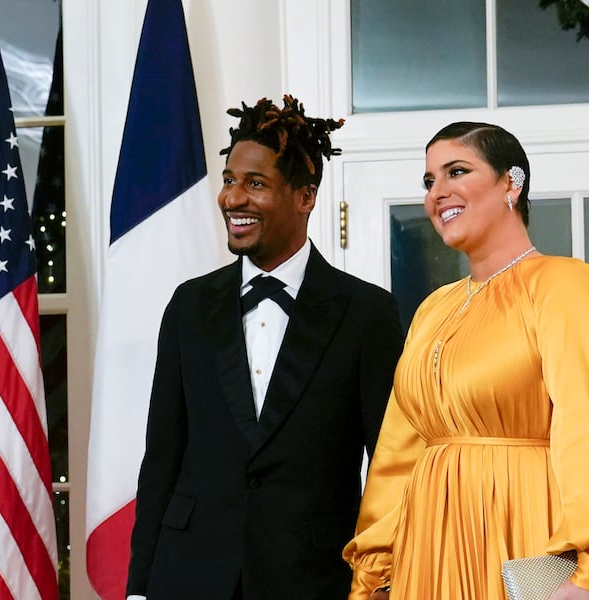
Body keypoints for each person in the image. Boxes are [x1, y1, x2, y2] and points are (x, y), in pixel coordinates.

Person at [343, 122, 589, 600]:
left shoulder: (562, 286)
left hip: (524, 533)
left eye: (456, 171)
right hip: (428, 549)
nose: (437, 193)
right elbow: (397, 453)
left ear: (511, 182)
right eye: (429, 181)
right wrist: (377, 574)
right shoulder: (433, 309)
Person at [125, 95, 405, 600]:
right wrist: (139, 587)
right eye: (230, 180)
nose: (233, 198)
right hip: (188, 575)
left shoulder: (367, 314)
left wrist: (381, 580)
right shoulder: (189, 306)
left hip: (314, 577)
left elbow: (389, 464)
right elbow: (162, 458)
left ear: (305, 197)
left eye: (255, 184)